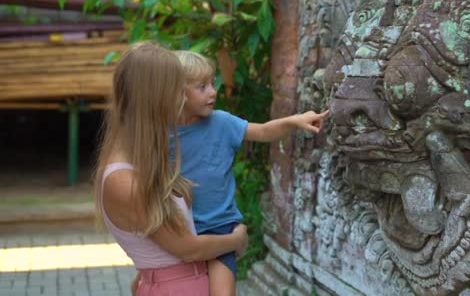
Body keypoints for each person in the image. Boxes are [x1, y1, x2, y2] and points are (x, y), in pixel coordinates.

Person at [95, 42, 248, 296]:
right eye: (177, 89)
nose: (183, 98)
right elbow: (187, 248)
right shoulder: (124, 179)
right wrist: (236, 240)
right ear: (156, 98)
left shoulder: (146, 158)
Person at [172, 50, 328, 296]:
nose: (213, 92)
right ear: (177, 93)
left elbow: (264, 131)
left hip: (220, 229)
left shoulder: (221, 122)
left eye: (213, 84)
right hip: (178, 232)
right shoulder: (160, 135)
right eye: (202, 87)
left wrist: (294, 121)